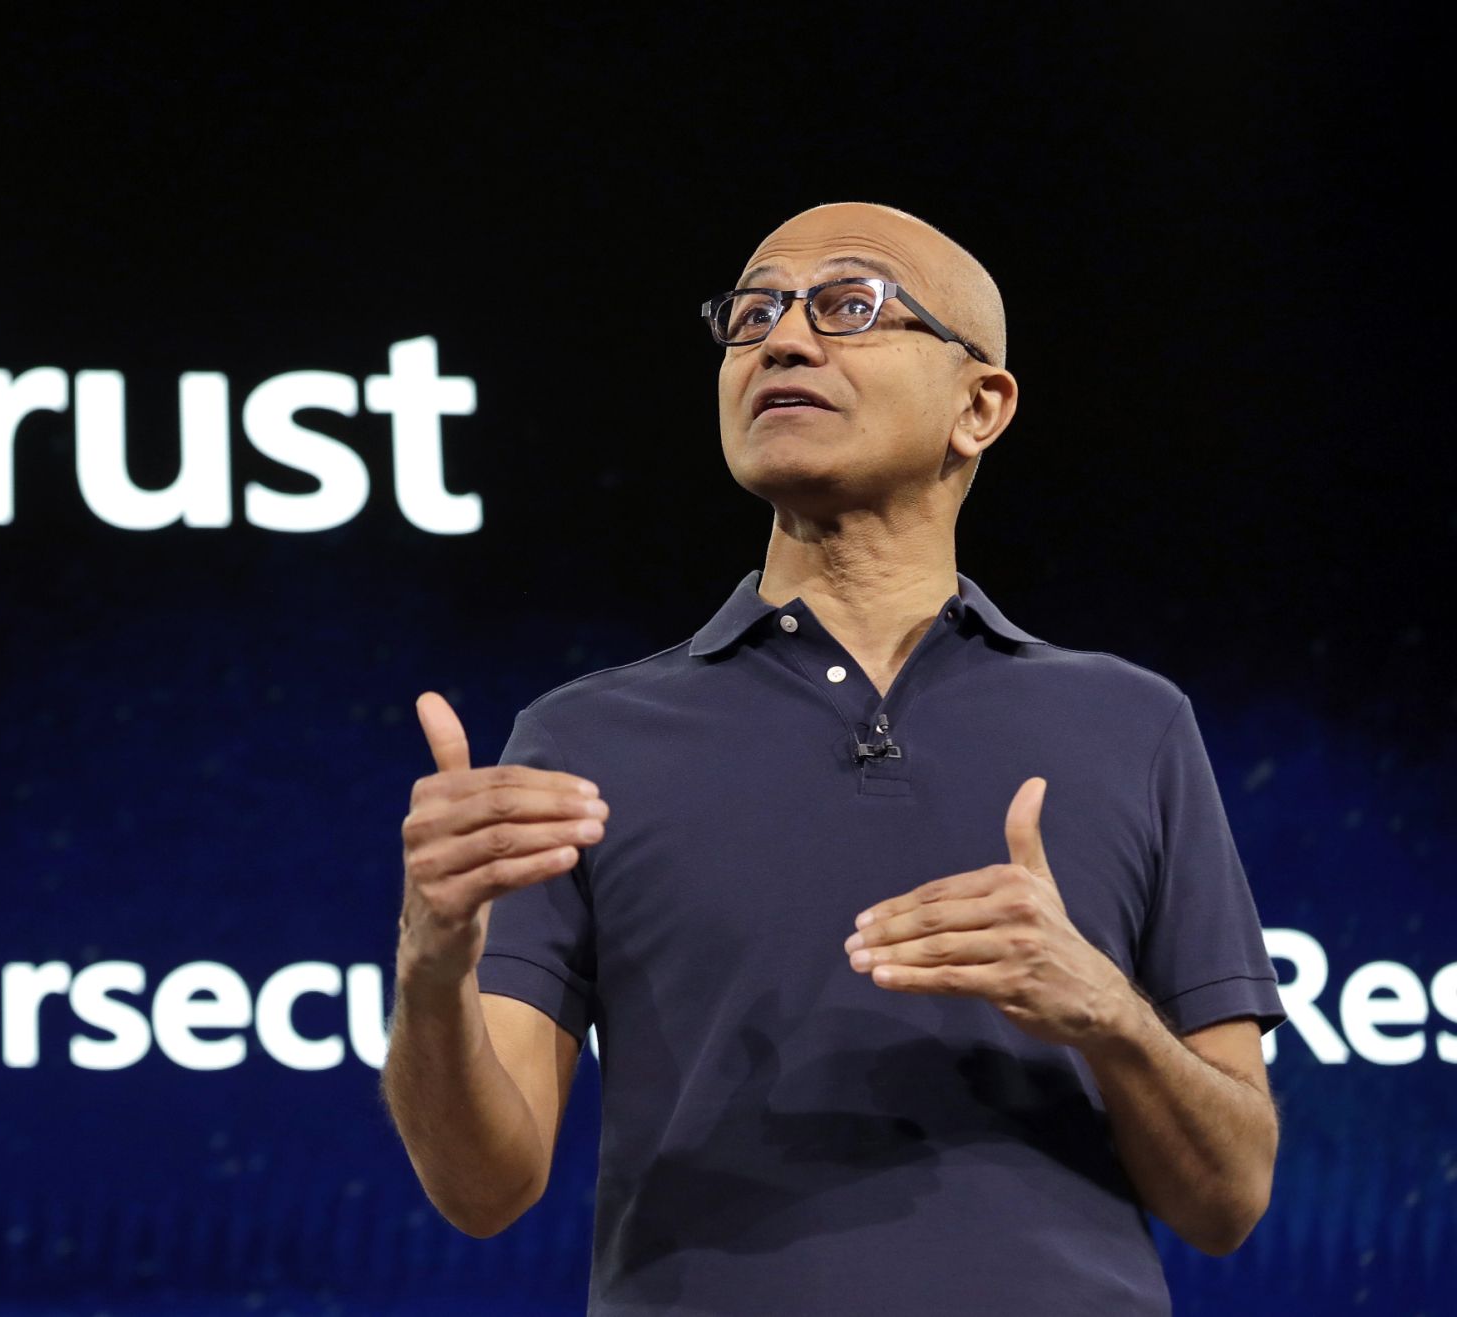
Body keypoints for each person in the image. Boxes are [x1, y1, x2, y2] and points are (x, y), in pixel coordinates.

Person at [379, 202, 1284, 1316]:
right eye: (752, 313)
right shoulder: (581, 741)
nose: (782, 341)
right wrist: (430, 966)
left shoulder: (1130, 724)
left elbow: (1228, 1198)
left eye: (849, 305)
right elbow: (483, 1190)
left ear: (979, 406)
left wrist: (1105, 1010)